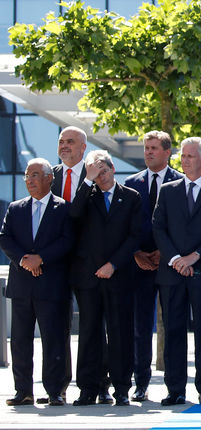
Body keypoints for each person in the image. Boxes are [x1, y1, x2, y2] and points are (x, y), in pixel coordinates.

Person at [152, 137, 201, 406]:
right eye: (182, 156)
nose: (184, 160)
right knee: (173, 331)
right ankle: (175, 389)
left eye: (189, 156)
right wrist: (176, 259)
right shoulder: (168, 190)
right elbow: (158, 227)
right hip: (172, 273)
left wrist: (194, 257)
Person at [68, 150, 141, 406]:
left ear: (112, 168)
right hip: (89, 276)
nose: (101, 175)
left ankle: (121, 387)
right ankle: (89, 387)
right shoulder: (87, 196)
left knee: (120, 332)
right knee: (89, 333)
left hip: (119, 275)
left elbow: (135, 236)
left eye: (103, 169)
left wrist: (113, 264)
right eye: (95, 171)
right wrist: (87, 180)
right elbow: (73, 216)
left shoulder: (131, 197)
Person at [0, 158, 73, 406]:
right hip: (21, 285)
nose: (29, 180)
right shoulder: (16, 207)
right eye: (27, 176)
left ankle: (54, 391)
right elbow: (5, 238)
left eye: (35, 175)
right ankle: (23, 391)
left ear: (48, 178)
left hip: (51, 284)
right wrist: (23, 260)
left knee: (53, 339)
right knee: (19, 341)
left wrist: (41, 258)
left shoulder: (63, 208)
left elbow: (67, 241)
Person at [123, 130, 184, 402]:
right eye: (146, 148)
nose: (148, 152)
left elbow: (184, 226)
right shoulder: (131, 183)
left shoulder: (182, 182)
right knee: (140, 327)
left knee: (173, 326)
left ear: (167, 152)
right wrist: (136, 252)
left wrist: (166, 252)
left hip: (170, 264)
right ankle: (141, 383)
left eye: (154, 148)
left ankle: (175, 386)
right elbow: (122, 226)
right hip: (138, 266)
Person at [49, 126, 89, 404]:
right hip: (54, 264)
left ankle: (94, 384)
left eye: (70, 142)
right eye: (61, 141)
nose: (64, 146)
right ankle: (57, 389)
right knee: (55, 327)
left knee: (91, 326)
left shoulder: (96, 174)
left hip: (89, 263)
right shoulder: (48, 175)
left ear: (83, 147)